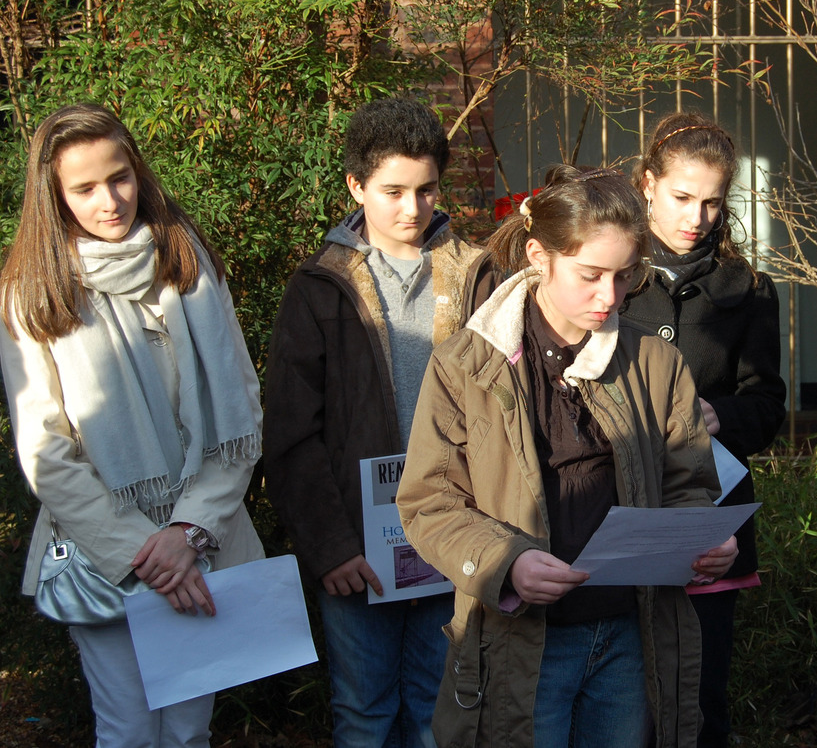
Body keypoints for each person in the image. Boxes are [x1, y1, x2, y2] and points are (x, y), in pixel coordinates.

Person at [396, 164, 739, 747]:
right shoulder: (465, 365)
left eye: (626, 276)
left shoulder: (656, 364)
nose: (610, 297)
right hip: (522, 641)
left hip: (630, 638)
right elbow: (430, 503)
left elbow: (687, 483)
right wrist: (508, 563)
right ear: (538, 255)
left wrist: (702, 536)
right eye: (590, 275)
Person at [0, 102, 265, 746]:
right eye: (84, 188)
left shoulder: (187, 262)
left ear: (137, 173)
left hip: (201, 547)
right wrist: (143, 556)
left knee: (188, 735)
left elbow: (241, 416)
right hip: (106, 557)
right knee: (127, 733)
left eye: (118, 178)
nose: (109, 201)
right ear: (55, 196)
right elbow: (47, 450)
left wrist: (188, 534)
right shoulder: (34, 289)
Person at [263, 95, 493, 748]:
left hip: (450, 539)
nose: (411, 209)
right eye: (391, 191)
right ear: (355, 185)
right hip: (358, 551)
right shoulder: (319, 287)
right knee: (364, 715)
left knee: (435, 715)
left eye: (425, 191)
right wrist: (329, 545)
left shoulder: (479, 277)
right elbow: (289, 433)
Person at [622, 112, 786, 748]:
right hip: (621, 506)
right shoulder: (614, 276)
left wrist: (723, 416)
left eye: (712, 203)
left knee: (699, 696)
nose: (697, 218)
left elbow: (768, 403)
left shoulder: (747, 289)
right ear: (647, 184)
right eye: (681, 198)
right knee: (625, 696)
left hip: (711, 516)